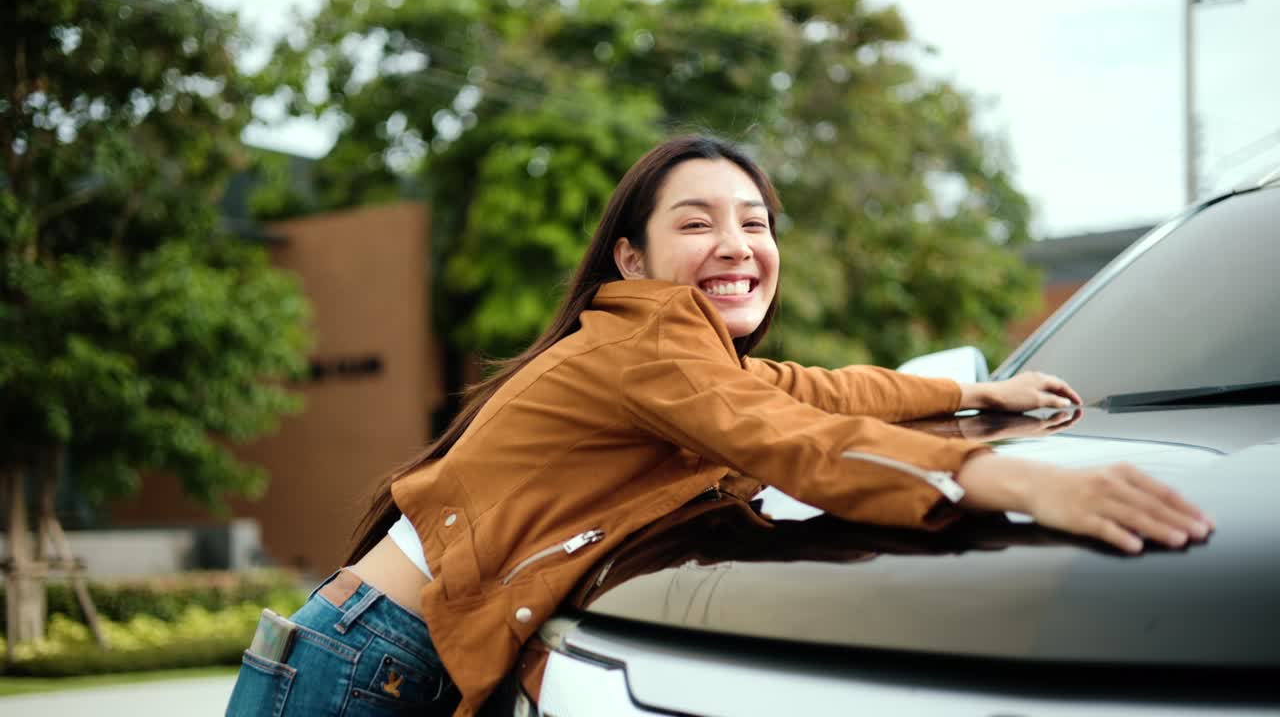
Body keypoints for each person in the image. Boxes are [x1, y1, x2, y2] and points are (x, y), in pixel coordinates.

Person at [225, 135, 1213, 717]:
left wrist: (967, 399)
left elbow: (806, 391)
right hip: (363, 661)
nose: (736, 243)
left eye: (753, 220)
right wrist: (1011, 479)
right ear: (632, 259)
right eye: (695, 222)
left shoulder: (672, 362)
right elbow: (789, 437)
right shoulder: (645, 341)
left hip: (365, 649)